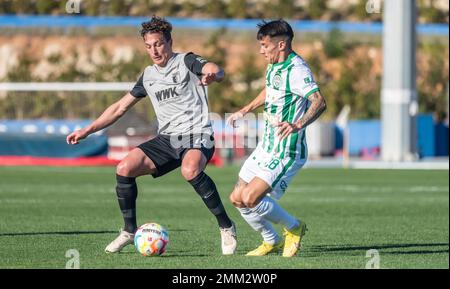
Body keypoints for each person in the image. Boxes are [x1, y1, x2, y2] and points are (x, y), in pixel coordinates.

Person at [66, 16, 237, 255]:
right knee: (124, 168)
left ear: (169, 42)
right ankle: (128, 231)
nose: (154, 50)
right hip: (167, 139)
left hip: (197, 135)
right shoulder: (148, 76)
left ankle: (226, 226)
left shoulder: (185, 61)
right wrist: (87, 130)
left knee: (190, 170)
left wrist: (212, 74)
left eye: (158, 44)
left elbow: (215, 69)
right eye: (148, 46)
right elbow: (119, 107)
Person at [226, 19, 326, 257]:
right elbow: (271, 89)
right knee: (237, 198)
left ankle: (294, 227)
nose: (261, 50)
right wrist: (246, 109)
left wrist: (297, 124)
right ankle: (271, 240)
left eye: (265, 45)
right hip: (266, 146)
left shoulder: (297, 69)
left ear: (281, 45)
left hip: (286, 150)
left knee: (251, 197)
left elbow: (319, 101)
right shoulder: (274, 65)